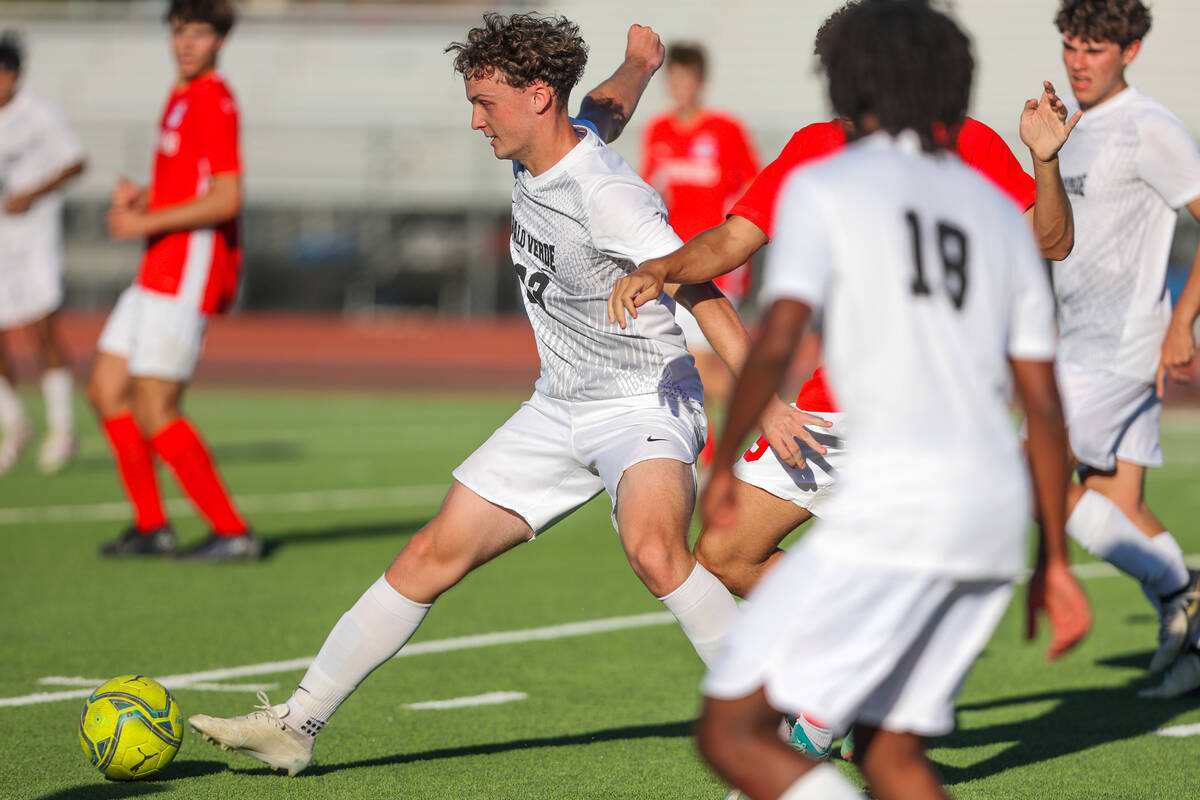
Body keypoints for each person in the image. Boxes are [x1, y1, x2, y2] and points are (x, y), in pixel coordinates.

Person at [187, 15, 812, 777]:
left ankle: (769, 730)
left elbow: (701, 287)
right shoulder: (547, 141)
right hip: (557, 404)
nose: (474, 118)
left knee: (655, 552)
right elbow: (605, 108)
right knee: (427, 555)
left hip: (643, 402)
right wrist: (636, 66)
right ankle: (298, 723)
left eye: (485, 102)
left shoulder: (609, 194)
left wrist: (765, 402)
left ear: (538, 96)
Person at [609, 0, 1082, 760]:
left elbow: (1049, 243)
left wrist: (1046, 161)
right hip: (834, 406)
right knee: (723, 556)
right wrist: (664, 267)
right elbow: (734, 238)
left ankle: (837, 705)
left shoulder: (972, 145)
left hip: (933, 417)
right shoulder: (816, 148)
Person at [1046, 0, 1200, 698]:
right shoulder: (1069, 125)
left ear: (1129, 52)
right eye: (1072, 46)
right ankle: (1193, 638)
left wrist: (1181, 324)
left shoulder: (1151, 129)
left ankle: (1184, 592)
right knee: (1119, 504)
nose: (1080, 61)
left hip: (1119, 345)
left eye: (1096, 50)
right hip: (1076, 341)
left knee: (1034, 473)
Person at [89, 0, 257, 560]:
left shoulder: (214, 100)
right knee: (106, 391)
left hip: (187, 270)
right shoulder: (181, 95)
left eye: (199, 33)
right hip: (157, 265)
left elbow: (227, 198)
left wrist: (145, 218)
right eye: (180, 31)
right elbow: (190, 186)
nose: (186, 42)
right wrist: (145, 196)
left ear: (220, 41)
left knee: (156, 407)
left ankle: (234, 534)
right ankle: (153, 528)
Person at [639, 43, 759, 463]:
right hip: (675, 259)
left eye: (688, 79)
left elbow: (752, 187)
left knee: (706, 364)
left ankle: (765, 401)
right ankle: (712, 461)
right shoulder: (658, 131)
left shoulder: (726, 130)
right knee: (690, 364)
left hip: (717, 261)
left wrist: (733, 236)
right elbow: (650, 187)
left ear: (700, 82)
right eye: (674, 80)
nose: (680, 88)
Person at [0, 30, 86, 476]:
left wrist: (32, 193)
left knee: (42, 332)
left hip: (34, 239)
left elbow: (76, 161)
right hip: (0, 244)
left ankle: (62, 429)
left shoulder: (40, 114)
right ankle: (14, 424)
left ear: (12, 75)